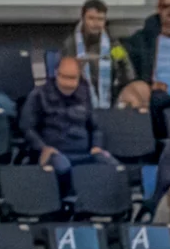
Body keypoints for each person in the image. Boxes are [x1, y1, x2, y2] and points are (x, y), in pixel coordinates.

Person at [19, 55, 117, 188]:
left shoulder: (85, 92)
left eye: (72, 78)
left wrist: (96, 146)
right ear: (56, 74)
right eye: (64, 77)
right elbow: (27, 128)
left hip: (84, 152)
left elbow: (95, 127)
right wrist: (43, 148)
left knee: (114, 167)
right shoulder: (39, 94)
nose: (68, 83)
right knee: (62, 166)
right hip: (54, 153)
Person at [64, 0, 138, 111]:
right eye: (91, 18)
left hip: (111, 99)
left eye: (100, 19)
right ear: (82, 19)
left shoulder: (113, 44)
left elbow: (127, 70)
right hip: (78, 99)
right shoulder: (71, 44)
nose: (96, 24)